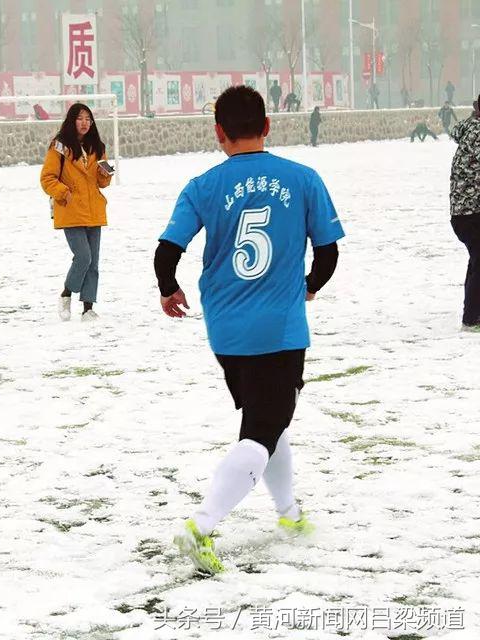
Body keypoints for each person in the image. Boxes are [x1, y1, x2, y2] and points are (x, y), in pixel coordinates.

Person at [155, 85, 344, 574]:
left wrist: (168, 288)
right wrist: (308, 287)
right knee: (264, 427)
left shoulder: (203, 186)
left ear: (219, 132)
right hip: (279, 329)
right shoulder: (302, 179)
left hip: (226, 330)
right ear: (267, 126)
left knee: (268, 422)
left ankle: (290, 515)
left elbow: (166, 252)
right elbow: (328, 253)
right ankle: (200, 527)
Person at [40, 103, 113, 322]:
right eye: (80, 118)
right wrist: (63, 192)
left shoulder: (97, 147)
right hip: (70, 210)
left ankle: (88, 308)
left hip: (94, 210)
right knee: (83, 257)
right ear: (72, 121)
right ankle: (66, 294)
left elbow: (102, 182)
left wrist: (104, 174)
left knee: (94, 263)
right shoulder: (59, 147)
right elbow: (47, 178)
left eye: (88, 119)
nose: (84, 123)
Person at [449, 98, 480, 332]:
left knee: (477, 261)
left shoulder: (470, 127)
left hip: (463, 212)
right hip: (472, 213)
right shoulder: (477, 135)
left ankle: (472, 316)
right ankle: (471, 318)